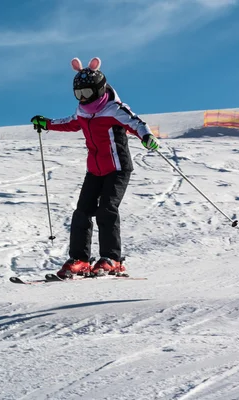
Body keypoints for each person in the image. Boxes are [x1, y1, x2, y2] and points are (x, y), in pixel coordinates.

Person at [30, 57, 159, 279]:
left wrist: (146, 136)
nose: (83, 98)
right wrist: (47, 123)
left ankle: (112, 259)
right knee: (82, 212)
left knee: (107, 209)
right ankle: (80, 260)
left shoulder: (114, 109)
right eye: (78, 94)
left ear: (98, 89)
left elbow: (135, 122)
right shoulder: (83, 111)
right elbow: (70, 123)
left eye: (87, 93)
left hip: (117, 167)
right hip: (94, 170)